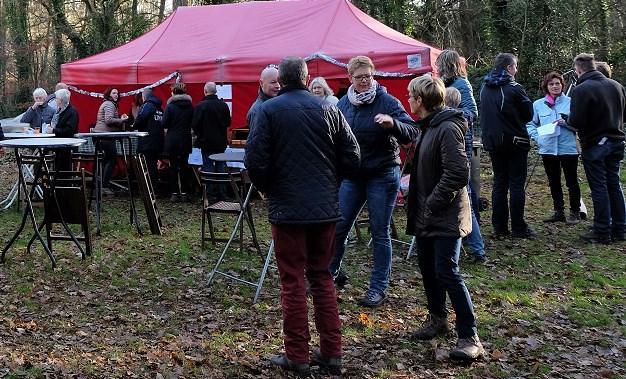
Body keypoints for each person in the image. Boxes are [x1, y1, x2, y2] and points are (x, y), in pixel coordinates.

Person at [246, 56, 360, 377]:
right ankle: (331, 352)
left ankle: (298, 355)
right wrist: (329, 182)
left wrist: (271, 188)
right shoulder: (328, 108)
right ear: (307, 76)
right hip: (322, 208)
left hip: (288, 210)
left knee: (293, 281)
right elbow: (352, 157)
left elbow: (255, 161)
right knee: (321, 277)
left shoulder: (267, 111)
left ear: (281, 80)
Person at [405, 73, 485, 362]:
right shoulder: (427, 127)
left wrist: (432, 203)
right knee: (428, 269)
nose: (408, 100)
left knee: (447, 271)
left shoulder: (448, 127)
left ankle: (470, 335)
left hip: (446, 214)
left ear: (422, 100)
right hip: (428, 214)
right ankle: (437, 319)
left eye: (411, 95)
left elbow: (457, 173)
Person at [330, 55, 418, 307]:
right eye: (359, 78)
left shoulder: (387, 101)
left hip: (382, 173)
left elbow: (412, 129)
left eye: (368, 76)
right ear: (350, 79)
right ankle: (329, 277)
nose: (365, 82)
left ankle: (378, 288)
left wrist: (393, 125)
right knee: (338, 228)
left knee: (379, 232)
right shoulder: (343, 104)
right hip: (353, 176)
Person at [569, 53, 626, 244]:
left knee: (599, 187)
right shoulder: (616, 86)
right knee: (614, 184)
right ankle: (620, 227)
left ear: (578, 69)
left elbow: (576, 121)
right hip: (617, 140)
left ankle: (602, 230)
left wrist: (569, 120)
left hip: (595, 143)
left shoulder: (581, 89)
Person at [437, 49, 487, 263]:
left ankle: (476, 247)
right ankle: (469, 242)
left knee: (464, 197)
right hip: (446, 145)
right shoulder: (443, 84)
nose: (437, 68)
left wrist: (449, 117)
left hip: (459, 146)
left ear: (447, 65)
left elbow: (471, 113)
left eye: (440, 64)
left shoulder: (462, 85)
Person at [479, 53, 534, 239]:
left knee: (500, 183)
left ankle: (499, 226)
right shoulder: (515, 88)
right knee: (516, 185)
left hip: (493, 142)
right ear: (509, 68)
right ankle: (519, 227)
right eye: (515, 67)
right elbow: (528, 114)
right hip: (515, 142)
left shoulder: (484, 87)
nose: (516, 70)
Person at [526, 71, 580, 225]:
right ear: (546, 86)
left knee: (572, 181)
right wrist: (538, 138)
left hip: (568, 148)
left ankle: (575, 212)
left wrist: (567, 123)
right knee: (554, 181)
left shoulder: (571, 102)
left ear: (562, 85)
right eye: (551, 84)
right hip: (548, 149)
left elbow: (580, 125)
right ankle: (559, 212)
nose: (555, 86)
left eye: (558, 83)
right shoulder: (538, 104)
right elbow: (530, 124)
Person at [444, 87, 487, 263]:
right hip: (465, 167)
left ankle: (475, 248)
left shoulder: (449, 121)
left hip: (453, 170)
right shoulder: (465, 119)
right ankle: (477, 248)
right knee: (467, 209)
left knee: (462, 209)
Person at [191, 81, 232, 200]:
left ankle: (209, 193)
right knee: (221, 166)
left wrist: (200, 134)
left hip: (206, 142)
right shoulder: (223, 105)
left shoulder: (200, 106)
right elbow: (227, 123)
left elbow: (195, 124)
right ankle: (222, 193)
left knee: (207, 166)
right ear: (216, 91)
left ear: (205, 91)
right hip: (220, 141)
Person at [93, 87, 129, 195]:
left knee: (105, 161)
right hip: (105, 137)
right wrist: (122, 120)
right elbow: (108, 120)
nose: (116, 95)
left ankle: (100, 185)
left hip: (101, 136)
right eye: (114, 93)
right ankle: (104, 185)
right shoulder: (109, 104)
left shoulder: (109, 104)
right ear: (109, 94)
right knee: (111, 159)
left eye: (117, 93)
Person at [162, 82, 194, 202]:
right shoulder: (190, 106)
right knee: (184, 166)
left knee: (173, 166)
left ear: (173, 92)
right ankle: (185, 193)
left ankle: (174, 193)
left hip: (173, 139)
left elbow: (164, 123)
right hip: (185, 138)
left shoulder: (170, 107)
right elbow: (194, 122)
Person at [134, 88, 164, 185]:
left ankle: (151, 187)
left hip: (147, 141)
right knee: (153, 164)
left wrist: (134, 125)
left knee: (148, 164)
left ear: (143, 97)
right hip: (158, 140)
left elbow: (140, 119)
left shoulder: (147, 105)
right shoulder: (159, 108)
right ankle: (155, 186)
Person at [47, 89, 79, 170]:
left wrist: (53, 130)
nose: (55, 100)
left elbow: (69, 130)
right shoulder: (60, 111)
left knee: (63, 171)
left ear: (60, 100)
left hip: (67, 148)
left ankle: (62, 182)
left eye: (56, 98)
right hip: (59, 146)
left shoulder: (71, 112)